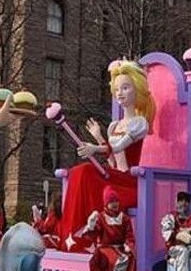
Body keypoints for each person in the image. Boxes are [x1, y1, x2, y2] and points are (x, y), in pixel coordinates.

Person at [60, 60, 156, 252]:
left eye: (126, 88)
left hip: (129, 182)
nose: (120, 93)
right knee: (78, 172)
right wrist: (98, 137)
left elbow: (119, 146)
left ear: (137, 89)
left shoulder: (140, 123)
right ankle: (74, 236)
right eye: (117, 89)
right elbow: (112, 159)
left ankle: (88, 239)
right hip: (114, 177)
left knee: (86, 171)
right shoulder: (114, 126)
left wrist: (95, 147)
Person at [83, 186, 156, 271]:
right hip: (105, 248)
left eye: (116, 201)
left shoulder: (125, 218)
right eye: (111, 201)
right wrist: (91, 226)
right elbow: (92, 235)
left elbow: (129, 235)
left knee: (130, 256)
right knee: (117, 259)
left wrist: (128, 245)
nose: (115, 204)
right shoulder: (101, 217)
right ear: (106, 203)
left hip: (120, 247)